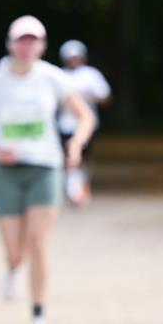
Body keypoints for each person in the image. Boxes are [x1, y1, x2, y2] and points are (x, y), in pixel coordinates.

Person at [0, 16, 95, 324]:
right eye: (21, 40)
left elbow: (86, 116)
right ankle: (11, 268)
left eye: (33, 40)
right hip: (5, 171)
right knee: (15, 252)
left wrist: (76, 144)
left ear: (42, 44)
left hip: (45, 168)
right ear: (10, 44)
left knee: (38, 244)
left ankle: (38, 318)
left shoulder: (53, 78)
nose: (26, 46)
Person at [57, 40, 111, 205]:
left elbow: (105, 98)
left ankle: (80, 185)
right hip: (65, 124)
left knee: (83, 157)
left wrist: (92, 94)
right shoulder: (59, 75)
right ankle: (73, 189)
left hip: (87, 125)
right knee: (69, 156)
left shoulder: (91, 75)